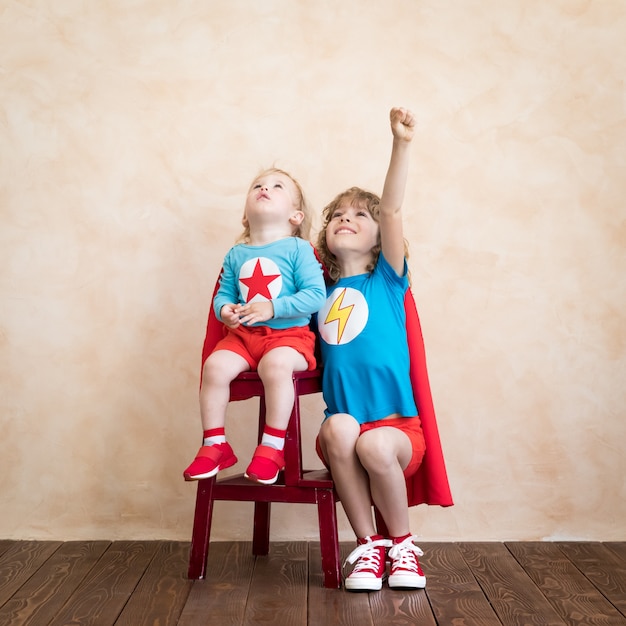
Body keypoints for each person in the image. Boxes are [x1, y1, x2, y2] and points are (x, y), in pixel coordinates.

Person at [315, 107, 428, 591]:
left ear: (382, 238)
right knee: (340, 429)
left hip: (398, 432)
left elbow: (393, 209)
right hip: (345, 427)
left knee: (374, 442)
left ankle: (402, 546)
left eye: (361, 215)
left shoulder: (387, 280)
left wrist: (400, 143)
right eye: (338, 215)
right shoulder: (317, 292)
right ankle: (368, 547)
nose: (347, 219)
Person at [183, 168, 326, 485]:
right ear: (245, 217)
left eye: (277, 186)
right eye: (258, 185)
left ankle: (272, 446)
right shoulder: (236, 254)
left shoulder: (298, 249)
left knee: (276, 366)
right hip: (244, 337)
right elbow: (224, 294)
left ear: (296, 215)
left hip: (290, 338)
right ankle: (215, 443)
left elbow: (316, 296)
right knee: (215, 366)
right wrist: (227, 311)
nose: (265, 188)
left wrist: (273, 307)